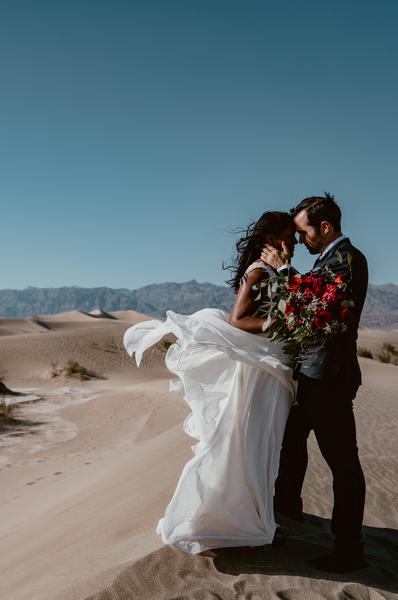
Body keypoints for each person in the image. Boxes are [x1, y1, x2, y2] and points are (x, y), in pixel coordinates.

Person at [123, 211, 297, 555]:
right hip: (259, 372)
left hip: (269, 370)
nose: (295, 242)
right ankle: (228, 518)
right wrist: (280, 324)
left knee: (260, 445)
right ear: (275, 236)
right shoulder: (260, 271)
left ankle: (256, 516)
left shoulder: (275, 270)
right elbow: (238, 319)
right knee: (249, 444)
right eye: (290, 235)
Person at [261, 193, 369, 573]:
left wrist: (286, 272)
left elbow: (318, 307)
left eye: (304, 232)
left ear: (324, 228)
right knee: (290, 440)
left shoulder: (348, 260)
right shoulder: (327, 260)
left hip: (330, 378)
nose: (301, 239)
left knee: (342, 462)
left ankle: (349, 548)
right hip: (310, 375)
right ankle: (287, 507)